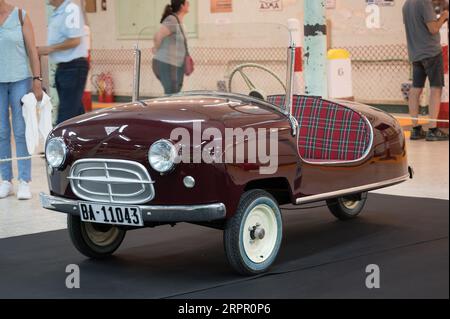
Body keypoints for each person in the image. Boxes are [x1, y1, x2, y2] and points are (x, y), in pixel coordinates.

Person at [0, 0, 43, 200]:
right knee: (1, 132)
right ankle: (6, 180)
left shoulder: (20, 16)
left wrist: (37, 79)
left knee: (19, 130)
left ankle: (24, 180)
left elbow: (32, 51)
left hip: (19, 80)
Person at [403, 0, 449, 141]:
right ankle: (433, 129)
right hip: (431, 53)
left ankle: (416, 129)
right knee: (436, 88)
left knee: (416, 89)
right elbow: (433, 29)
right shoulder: (424, 2)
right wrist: (443, 16)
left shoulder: (406, 5)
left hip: (415, 53)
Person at [38, 0, 88, 125]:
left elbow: (74, 40)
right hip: (63, 67)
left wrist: (50, 49)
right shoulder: (56, 13)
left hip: (73, 66)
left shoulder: (71, 9)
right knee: (76, 114)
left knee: (66, 116)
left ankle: (61, 142)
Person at [153, 0, 190, 94]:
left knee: (175, 92)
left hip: (176, 64)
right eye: (187, 2)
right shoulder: (172, 19)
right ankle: (166, 109)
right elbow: (158, 36)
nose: (189, 4)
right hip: (166, 63)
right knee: (171, 93)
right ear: (182, 6)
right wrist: (156, 48)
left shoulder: (179, 22)